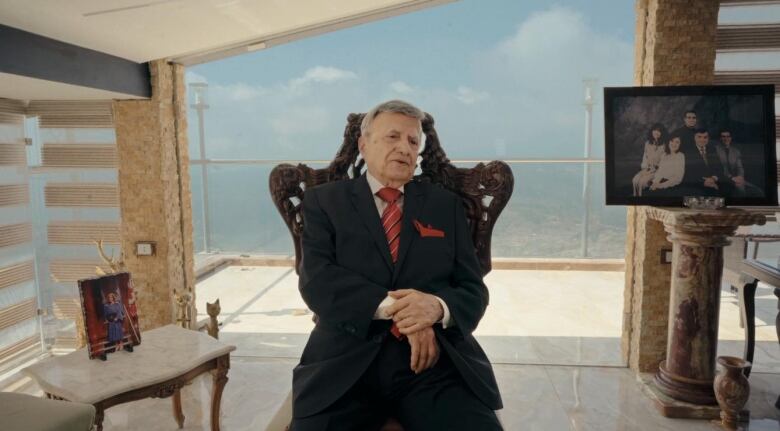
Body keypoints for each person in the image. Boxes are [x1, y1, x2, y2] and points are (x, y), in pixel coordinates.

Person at [291, 100, 502, 430]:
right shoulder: (325, 201)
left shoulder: (444, 206)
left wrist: (435, 308)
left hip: (434, 367)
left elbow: (473, 290)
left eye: (413, 141)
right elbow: (317, 281)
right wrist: (405, 313)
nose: (405, 148)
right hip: (345, 365)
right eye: (393, 137)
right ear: (364, 144)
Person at [715, 129, 760, 197]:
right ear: (720, 138)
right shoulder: (715, 149)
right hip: (722, 179)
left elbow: (740, 167)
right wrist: (731, 178)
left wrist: (740, 176)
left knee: (758, 191)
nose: (726, 138)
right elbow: (718, 168)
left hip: (736, 179)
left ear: (731, 138)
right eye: (723, 136)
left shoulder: (736, 151)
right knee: (740, 191)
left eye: (728, 136)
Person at [681, 128, 725, 196]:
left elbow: (720, 168)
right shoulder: (687, 152)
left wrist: (713, 179)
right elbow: (688, 173)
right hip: (696, 184)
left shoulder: (712, 150)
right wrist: (704, 182)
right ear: (694, 138)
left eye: (705, 137)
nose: (702, 140)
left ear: (708, 138)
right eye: (699, 137)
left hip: (713, 181)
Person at [632, 123, 667, 196]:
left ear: (662, 133)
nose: (656, 132)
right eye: (655, 130)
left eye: (659, 131)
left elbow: (663, 162)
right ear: (652, 131)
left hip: (657, 170)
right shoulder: (647, 143)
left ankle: (641, 200)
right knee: (635, 180)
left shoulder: (664, 145)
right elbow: (645, 157)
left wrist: (655, 169)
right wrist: (645, 168)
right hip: (647, 168)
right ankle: (635, 198)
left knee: (642, 182)